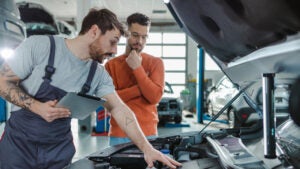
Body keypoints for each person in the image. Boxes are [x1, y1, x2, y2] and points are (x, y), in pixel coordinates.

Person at [0, 8, 180, 169]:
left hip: (57, 152)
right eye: (112, 41)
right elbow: (2, 82)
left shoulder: (97, 74)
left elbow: (118, 108)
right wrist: (37, 107)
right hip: (19, 147)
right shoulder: (41, 46)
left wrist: (147, 148)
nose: (115, 50)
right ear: (94, 31)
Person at [105, 13, 165, 146]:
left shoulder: (155, 63)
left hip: (148, 133)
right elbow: (109, 103)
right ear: (126, 34)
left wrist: (137, 68)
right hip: (119, 134)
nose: (140, 41)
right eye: (135, 35)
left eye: (144, 37)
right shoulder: (111, 65)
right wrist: (140, 89)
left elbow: (154, 97)